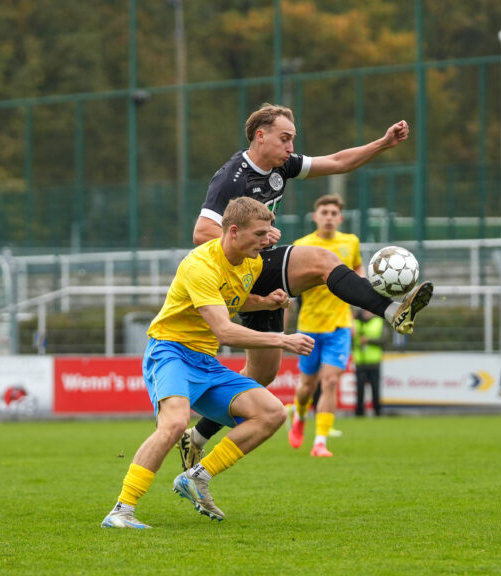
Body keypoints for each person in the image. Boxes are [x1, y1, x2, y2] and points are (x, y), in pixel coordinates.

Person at [178, 103, 434, 469]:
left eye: (292, 140)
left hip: (258, 265)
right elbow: (201, 233)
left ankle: (196, 437)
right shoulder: (232, 178)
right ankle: (394, 310)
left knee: (263, 373)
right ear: (260, 136)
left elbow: (338, 162)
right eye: (285, 138)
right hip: (240, 268)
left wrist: (382, 143)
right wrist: (261, 235)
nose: (290, 146)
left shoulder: (281, 165)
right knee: (322, 261)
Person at [101, 197, 315, 529]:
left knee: (272, 412)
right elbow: (224, 330)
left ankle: (197, 477)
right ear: (233, 231)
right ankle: (121, 511)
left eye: (268, 232)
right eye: (260, 234)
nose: (267, 240)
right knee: (173, 425)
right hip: (170, 352)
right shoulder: (199, 264)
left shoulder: (251, 263)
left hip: (205, 361)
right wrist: (282, 340)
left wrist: (265, 301)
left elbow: (234, 300)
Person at [288, 194, 360, 457]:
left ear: (340, 218)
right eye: (324, 212)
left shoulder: (350, 242)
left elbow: (358, 269)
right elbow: (292, 285)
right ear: (315, 217)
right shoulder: (302, 245)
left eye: (333, 213)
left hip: (340, 324)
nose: (329, 217)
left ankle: (320, 442)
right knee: (307, 386)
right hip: (309, 325)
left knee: (330, 382)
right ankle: (299, 416)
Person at [353, 307, 387, 416]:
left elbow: (385, 339)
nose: (366, 313)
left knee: (375, 388)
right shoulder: (355, 323)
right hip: (360, 362)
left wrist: (369, 340)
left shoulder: (379, 322)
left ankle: (377, 412)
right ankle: (359, 413)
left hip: (374, 362)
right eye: (364, 311)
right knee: (359, 390)